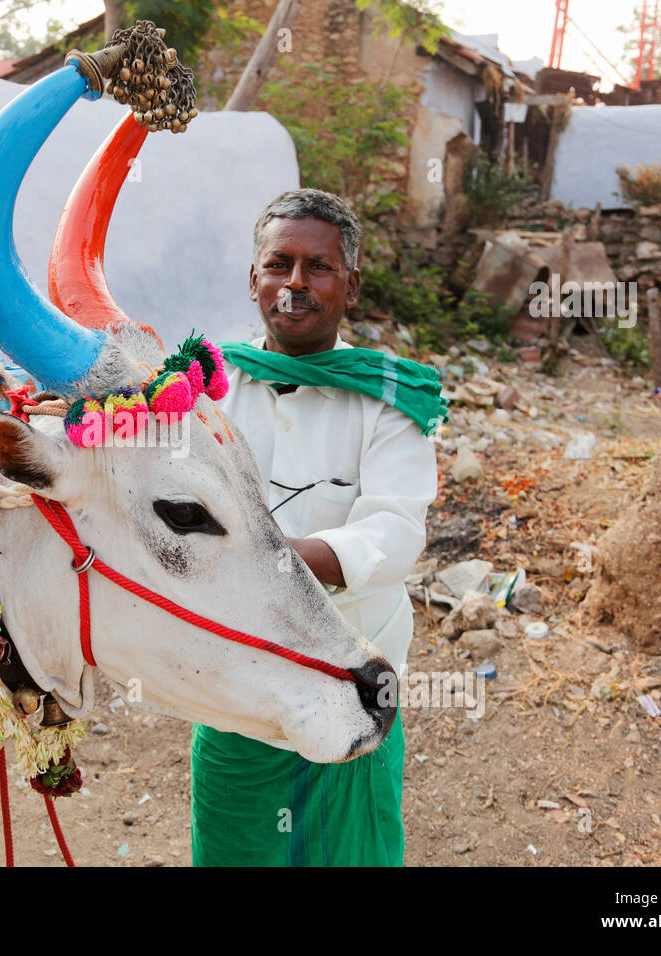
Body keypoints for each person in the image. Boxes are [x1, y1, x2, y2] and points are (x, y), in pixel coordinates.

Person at [191, 188, 445, 867]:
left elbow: (395, 529)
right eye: (279, 264)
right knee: (235, 850)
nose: (295, 284)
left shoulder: (390, 401)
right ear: (254, 280)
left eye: (319, 267)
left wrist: (274, 558)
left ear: (351, 286)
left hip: (353, 679)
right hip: (236, 683)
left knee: (349, 854)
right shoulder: (205, 391)